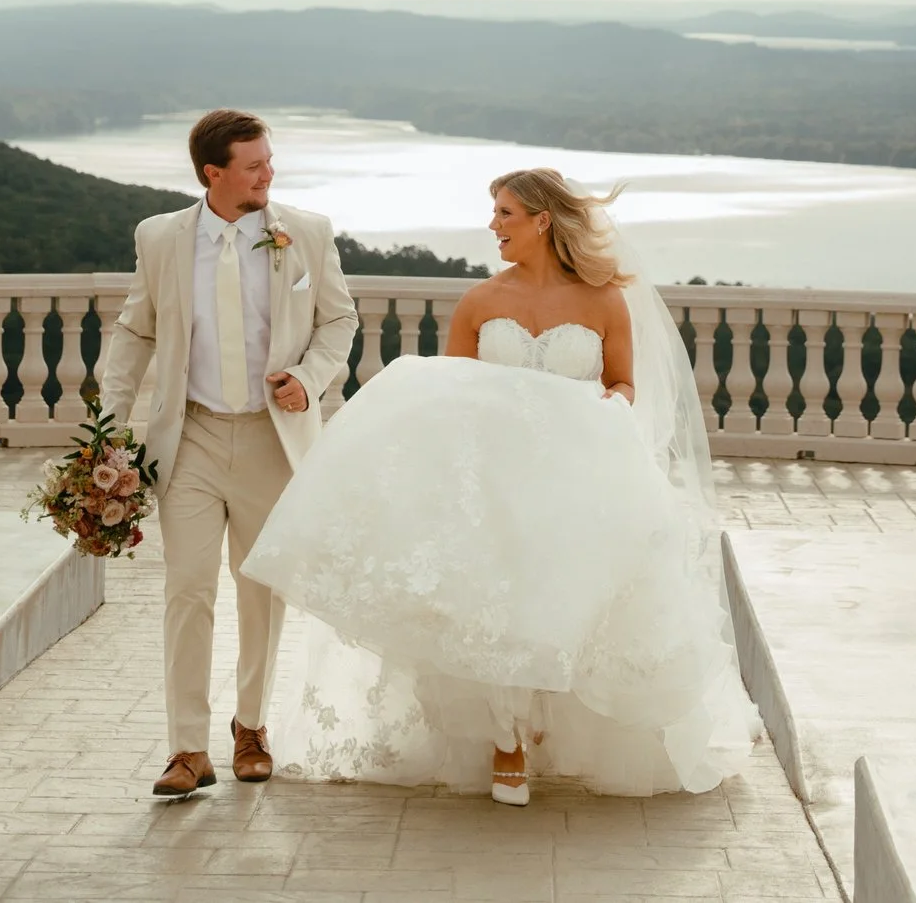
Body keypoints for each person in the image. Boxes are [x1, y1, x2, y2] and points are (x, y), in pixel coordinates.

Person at [242, 167, 758, 806]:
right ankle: (506, 738)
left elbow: (625, 384)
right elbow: (450, 396)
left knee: (562, 601)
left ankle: (548, 727)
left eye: (505, 214)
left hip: (573, 479)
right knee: (497, 601)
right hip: (492, 484)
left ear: (542, 220)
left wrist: (604, 407)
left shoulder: (604, 300)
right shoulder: (481, 303)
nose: (494, 226)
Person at [98, 108, 358, 799]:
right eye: (254, 165)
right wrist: (105, 423)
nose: (269, 174)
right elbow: (134, 328)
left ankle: (252, 728)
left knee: (260, 589)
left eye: (269, 160)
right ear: (214, 174)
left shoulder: (305, 231)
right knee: (186, 589)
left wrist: (308, 379)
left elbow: (340, 320)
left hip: (273, 440)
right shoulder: (159, 238)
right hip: (191, 437)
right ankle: (187, 747)